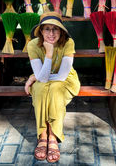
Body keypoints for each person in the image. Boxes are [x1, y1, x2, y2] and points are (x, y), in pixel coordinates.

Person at [25, 11, 80, 163]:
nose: (51, 33)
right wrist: (48, 54)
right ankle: (43, 134)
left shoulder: (69, 43)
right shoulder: (32, 45)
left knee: (55, 89)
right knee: (42, 89)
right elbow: (43, 79)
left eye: (55, 28)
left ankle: (53, 135)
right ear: (41, 31)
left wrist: (33, 77)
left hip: (66, 80)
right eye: (47, 29)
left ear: (61, 31)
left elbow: (62, 76)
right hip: (43, 81)